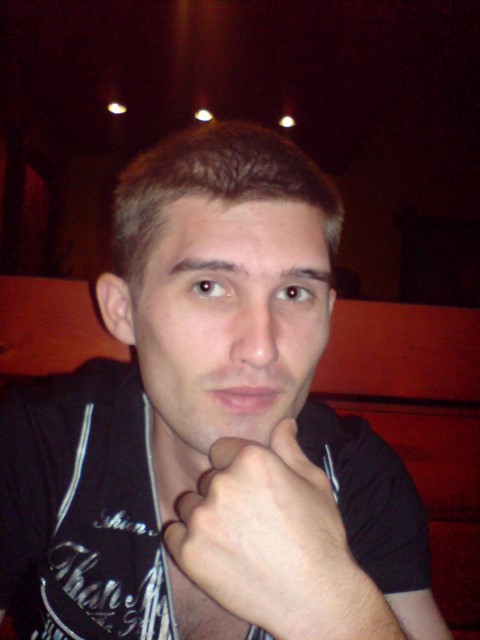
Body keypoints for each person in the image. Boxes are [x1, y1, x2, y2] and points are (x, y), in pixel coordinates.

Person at [0, 121, 452, 639]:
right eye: (209, 286)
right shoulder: (37, 444)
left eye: (294, 293)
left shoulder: (361, 478)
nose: (261, 348)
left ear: (328, 311)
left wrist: (331, 604)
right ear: (123, 310)